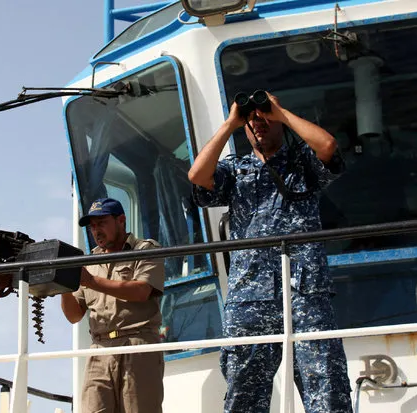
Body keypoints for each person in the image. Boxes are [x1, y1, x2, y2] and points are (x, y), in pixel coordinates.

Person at [188, 92, 353, 413]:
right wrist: (230, 123)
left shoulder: (301, 162)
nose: (258, 124)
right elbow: (197, 176)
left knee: (326, 386)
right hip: (249, 295)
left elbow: (328, 147)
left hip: (304, 290)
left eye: (265, 119)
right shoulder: (234, 170)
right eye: (252, 121)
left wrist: (279, 112)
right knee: (244, 391)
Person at [60, 197, 165, 413]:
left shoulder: (145, 249)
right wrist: (60, 285)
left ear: (121, 221)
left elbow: (141, 290)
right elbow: (73, 316)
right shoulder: (88, 262)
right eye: (92, 226)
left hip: (138, 345)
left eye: (101, 223)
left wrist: (90, 281)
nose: (96, 230)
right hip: (99, 350)